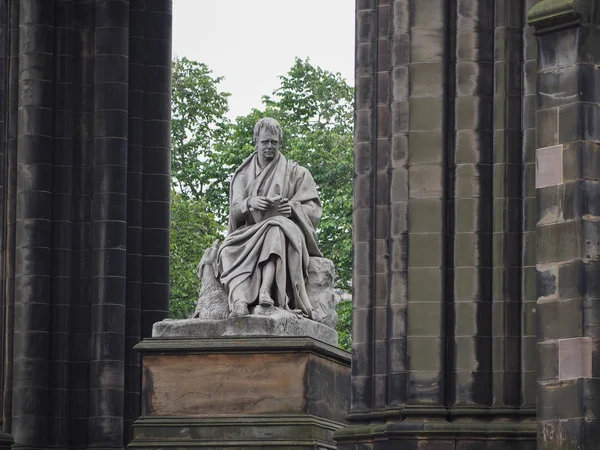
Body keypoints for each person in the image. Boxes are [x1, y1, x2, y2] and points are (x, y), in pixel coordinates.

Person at [216, 117, 323, 318]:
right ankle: (239, 301)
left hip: (283, 231)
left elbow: (314, 210)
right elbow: (235, 211)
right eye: (265, 142)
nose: (269, 147)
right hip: (247, 233)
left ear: (280, 143)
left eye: (274, 142)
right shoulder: (242, 175)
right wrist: (250, 203)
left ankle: (266, 290)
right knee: (226, 251)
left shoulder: (296, 173)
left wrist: (292, 208)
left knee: (276, 228)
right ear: (256, 141)